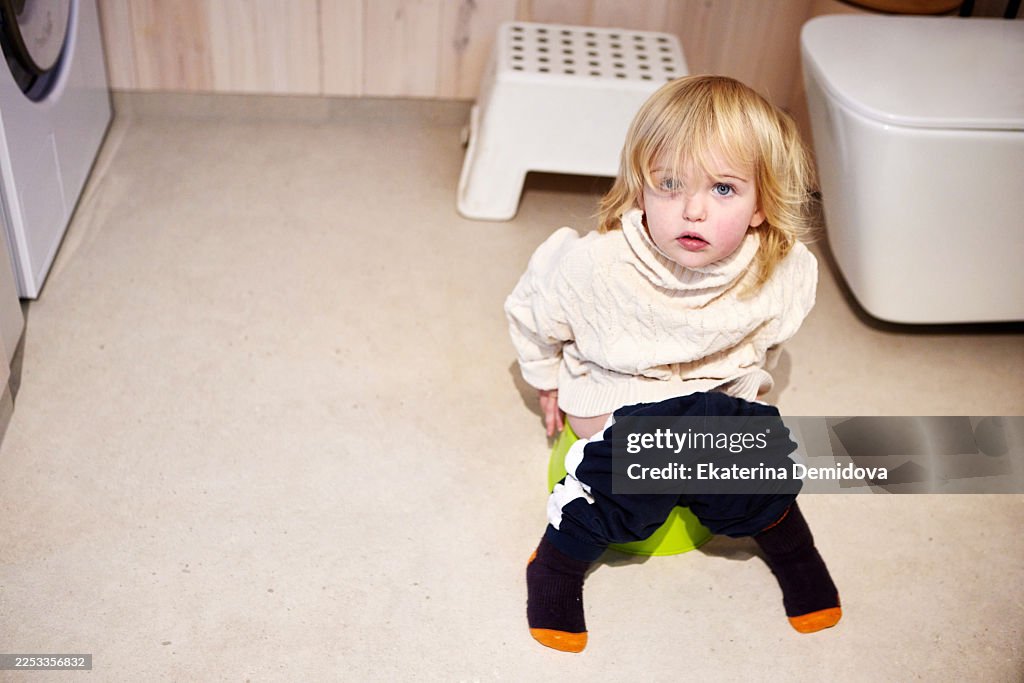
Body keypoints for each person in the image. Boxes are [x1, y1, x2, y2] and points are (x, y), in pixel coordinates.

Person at [504, 75, 841, 653]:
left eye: (725, 190)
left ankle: (789, 542)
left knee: (749, 444)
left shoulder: (779, 270)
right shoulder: (596, 266)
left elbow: (767, 344)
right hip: (618, 403)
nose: (692, 209)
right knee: (665, 449)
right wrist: (544, 380)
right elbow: (534, 314)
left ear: (762, 206)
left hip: (714, 405)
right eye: (669, 184)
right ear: (640, 189)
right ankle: (557, 559)